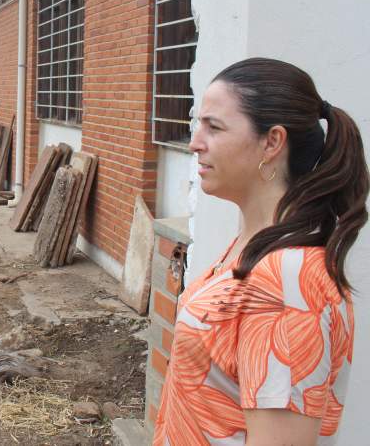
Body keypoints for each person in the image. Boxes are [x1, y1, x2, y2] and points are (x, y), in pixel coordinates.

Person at [154, 58, 368, 445]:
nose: (195, 142)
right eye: (198, 124)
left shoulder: (290, 281)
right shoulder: (255, 248)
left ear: (271, 142)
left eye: (213, 127)